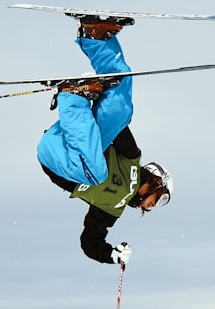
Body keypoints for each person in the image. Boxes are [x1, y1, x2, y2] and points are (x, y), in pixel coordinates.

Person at [37, 15, 174, 265]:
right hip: (72, 137)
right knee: (121, 111)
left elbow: (89, 242)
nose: (154, 206)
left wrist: (111, 255)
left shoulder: (113, 210)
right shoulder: (132, 159)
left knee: (95, 172)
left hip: (56, 159)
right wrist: (105, 96)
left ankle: (72, 97)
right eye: (161, 199)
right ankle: (95, 37)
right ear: (156, 182)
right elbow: (115, 123)